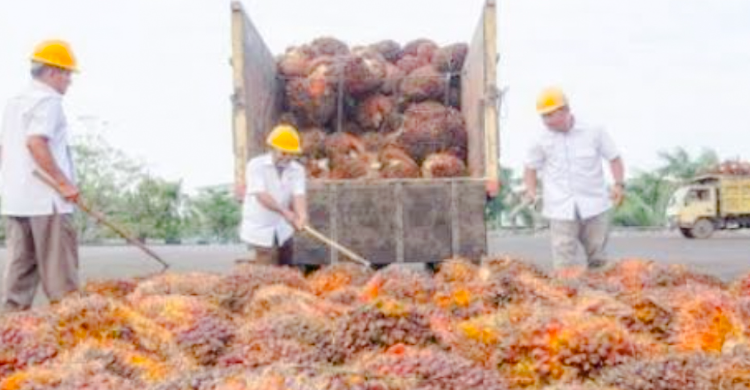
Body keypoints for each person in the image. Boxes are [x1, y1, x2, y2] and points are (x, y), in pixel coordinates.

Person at [1, 40, 81, 311]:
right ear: (51, 72)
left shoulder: (14, 103)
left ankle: (9, 335)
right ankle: (74, 338)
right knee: (62, 281)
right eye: (66, 73)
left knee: (18, 275)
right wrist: (63, 183)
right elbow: (36, 142)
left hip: (18, 200)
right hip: (48, 203)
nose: (69, 81)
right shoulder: (48, 101)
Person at [524, 87, 625, 274]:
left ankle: (600, 298)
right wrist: (531, 192)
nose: (546, 121)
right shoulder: (540, 139)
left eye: (549, 115)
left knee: (599, 261)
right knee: (564, 265)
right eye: (543, 117)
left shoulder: (594, 130)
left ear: (564, 111)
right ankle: (566, 297)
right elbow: (530, 168)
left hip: (594, 205)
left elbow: (614, 157)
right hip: (560, 209)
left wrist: (618, 184)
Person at [239, 124, 308, 266]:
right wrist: (285, 212)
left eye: (291, 153)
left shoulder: (297, 170)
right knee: (265, 262)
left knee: (286, 261)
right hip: (260, 225)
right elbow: (261, 195)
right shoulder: (255, 165)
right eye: (283, 153)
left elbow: (298, 194)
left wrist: (302, 216)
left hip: (282, 226)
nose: (288, 157)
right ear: (272, 149)